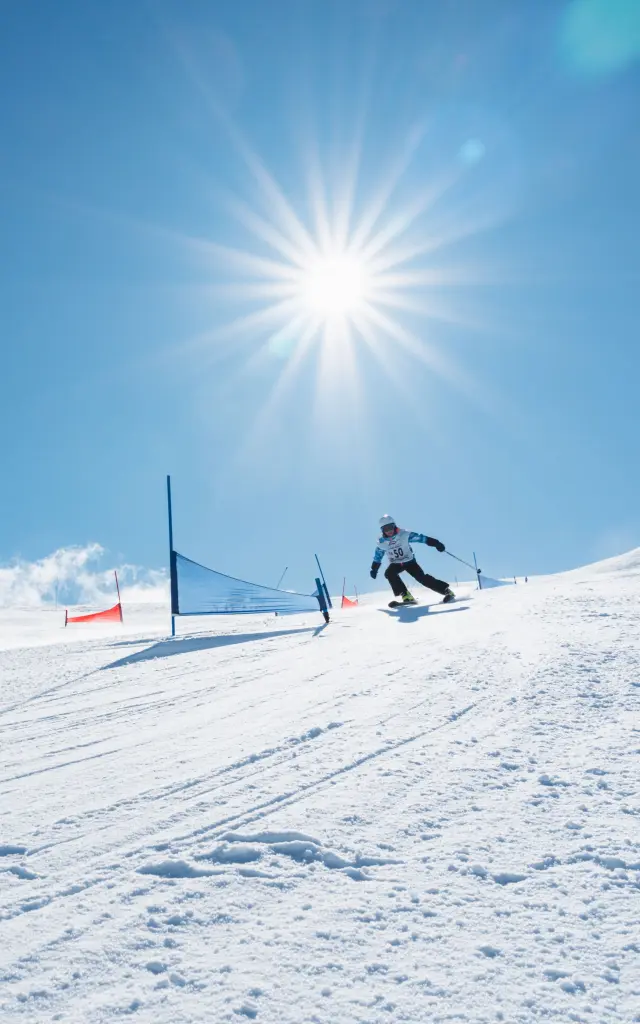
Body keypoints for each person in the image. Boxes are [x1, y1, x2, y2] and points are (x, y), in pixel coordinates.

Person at [370, 515, 455, 605]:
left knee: (422, 579)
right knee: (389, 573)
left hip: (409, 562)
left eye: (390, 527)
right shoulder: (382, 542)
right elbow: (378, 556)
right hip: (396, 564)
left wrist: (436, 543)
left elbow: (421, 538)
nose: (389, 531)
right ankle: (406, 595)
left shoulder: (404, 535)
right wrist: (374, 569)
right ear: (382, 530)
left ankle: (446, 591)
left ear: (394, 526)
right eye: (386, 529)